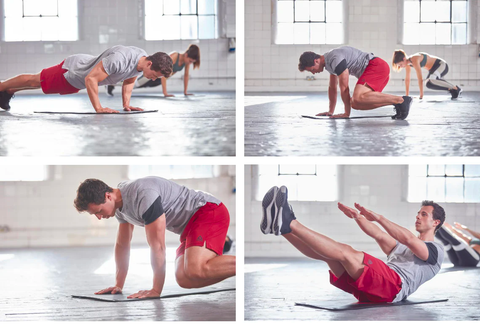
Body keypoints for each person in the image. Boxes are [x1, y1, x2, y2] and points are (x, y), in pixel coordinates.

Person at [261, 186, 445, 303]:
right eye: (418, 213)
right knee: (329, 255)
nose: (418, 217)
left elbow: (409, 239)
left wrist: (379, 218)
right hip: (372, 291)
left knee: (347, 252)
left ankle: (289, 222)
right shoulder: (404, 246)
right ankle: (282, 229)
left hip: (393, 286)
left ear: (435, 223)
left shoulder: (436, 251)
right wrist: (358, 217)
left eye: (424, 214)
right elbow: (379, 235)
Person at [74, 177, 236, 299]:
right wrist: (118, 285)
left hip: (207, 211)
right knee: (184, 279)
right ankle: (227, 266)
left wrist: (156, 290)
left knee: (195, 268)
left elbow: (157, 246)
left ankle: (238, 263)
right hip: (190, 228)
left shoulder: (143, 195)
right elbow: (122, 245)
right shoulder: (119, 206)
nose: (98, 217)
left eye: (98, 211)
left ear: (108, 196)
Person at [0, 45, 173, 113]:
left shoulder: (142, 61)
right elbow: (91, 79)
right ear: (150, 63)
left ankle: (9, 91)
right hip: (73, 71)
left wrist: (126, 105)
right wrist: (98, 108)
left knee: (41, 86)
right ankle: (2, 86)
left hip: (77, 80)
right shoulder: (120, 60)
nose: (152, 80)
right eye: (155, 75)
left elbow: (129, 81)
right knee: (34, 80)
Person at [298, 46, 412, 120]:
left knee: (357, 98)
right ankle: (397, 103)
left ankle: (401, 99)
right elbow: (332, 87)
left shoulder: (334, 58)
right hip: (376, 71)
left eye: (311, 69)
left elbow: (344, 87)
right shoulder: (328, 63)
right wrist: (330, 111)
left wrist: (346, 113)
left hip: (377, 66)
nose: (313, 73)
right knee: (355, 103)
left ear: (316, 61)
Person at [107, 44, 200, 97]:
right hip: (153, 73)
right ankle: (111, 83)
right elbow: (162, 71)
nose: (190, 63)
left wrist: (185, 92)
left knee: (140, 86)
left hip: (158, 79)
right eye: (191, 61)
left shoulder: (186, 63)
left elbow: (186, 76)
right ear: (187, 55)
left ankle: (113, 83)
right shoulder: (176, 56)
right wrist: (165, 93)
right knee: (135, 85)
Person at [392, 50, 462, 99]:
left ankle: (456, 88)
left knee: (431, 79)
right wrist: (407, 96)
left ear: (404, 59)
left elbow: (420, 78)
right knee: (428, 84)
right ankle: (452, 90)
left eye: (400, 64)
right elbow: (407, 80)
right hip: (433, 69)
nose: (401, 66)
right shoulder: (407, 64)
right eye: (399, 65)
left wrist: (421, 96)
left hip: (441, 65)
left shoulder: (414, 59)